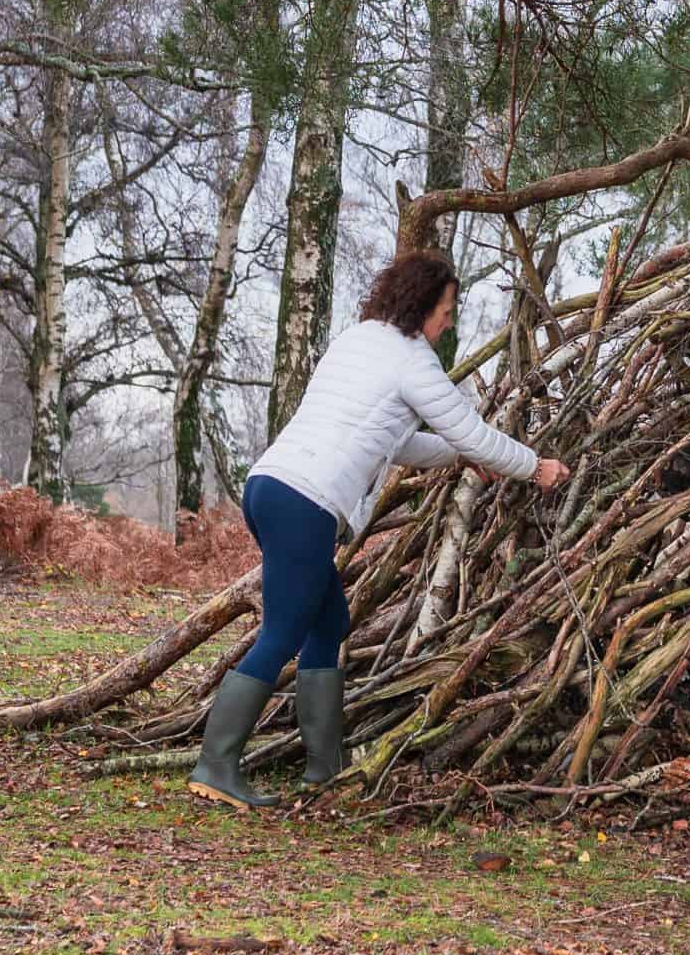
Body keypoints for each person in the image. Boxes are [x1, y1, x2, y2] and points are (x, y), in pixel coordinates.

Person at [188, 249, 566, 810]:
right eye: (447, 308)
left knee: (329, 619)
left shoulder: (359, 340)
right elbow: (474, 432)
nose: (449, 321)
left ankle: (324, 768)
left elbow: (398, 441)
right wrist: (535, 467)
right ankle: (216, 763)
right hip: (306, 500)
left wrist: (459, 459)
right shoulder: (414, 360)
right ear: (423, 305)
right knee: (284, 630)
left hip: (269, 485)